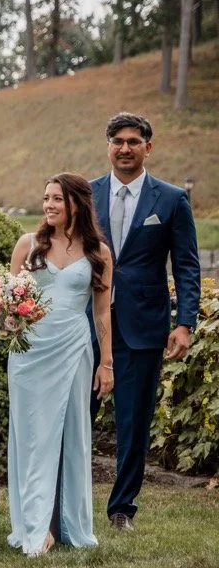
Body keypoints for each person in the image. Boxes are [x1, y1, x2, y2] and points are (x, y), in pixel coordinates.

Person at [90, 112, 200, 531]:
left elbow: (187, 266)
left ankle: (121, 509)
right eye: (117, 140)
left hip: (143, 327)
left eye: (134, 141)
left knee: (134, 422)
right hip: (86, 325)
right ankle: (68, 501)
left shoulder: (171, 200)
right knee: (77, 414)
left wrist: (185, 322)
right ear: (108, 145)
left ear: (148, 147)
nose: (125, 148)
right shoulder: (85, 193)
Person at [8, 173, 112, 556]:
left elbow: (102, 313)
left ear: (76, 204)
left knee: (70, 435)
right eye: (46, 198)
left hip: (73, 348)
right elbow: (6, 299)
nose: (49, 205)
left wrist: (108, 363)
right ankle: (34, 525)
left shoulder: (98, 252)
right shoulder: (28, 244)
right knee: (33, 435)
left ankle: (64, 523)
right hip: (29, 351)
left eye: (57, 199)